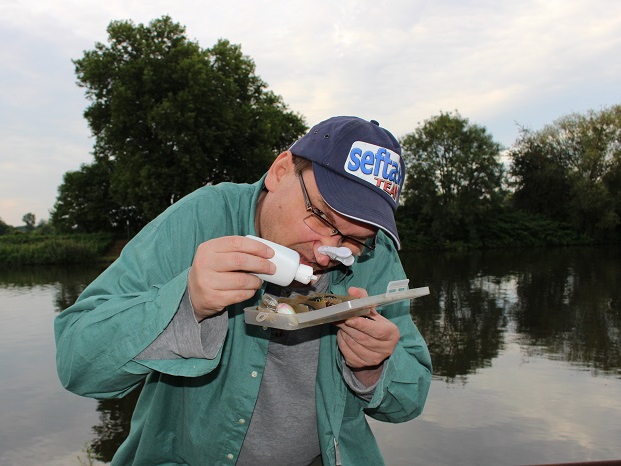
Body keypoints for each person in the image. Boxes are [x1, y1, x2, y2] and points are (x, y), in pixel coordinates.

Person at [55, 116, 432, 466]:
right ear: (280, 171)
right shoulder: (202, 217)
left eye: (352, 239)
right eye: (319, 217)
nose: (326, 251)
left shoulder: (374, 256)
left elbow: (407, 403)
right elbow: (78, 364)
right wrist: (186, 303)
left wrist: (373, 366)